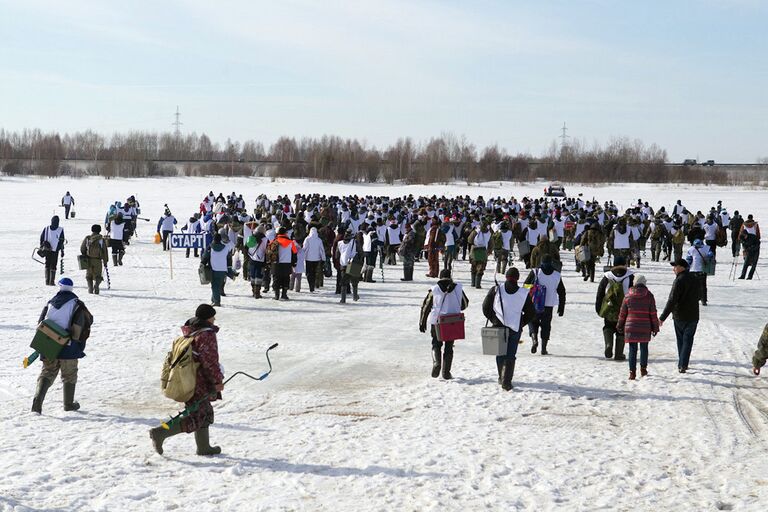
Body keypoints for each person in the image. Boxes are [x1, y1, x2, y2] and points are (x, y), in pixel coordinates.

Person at [149, 304, 224, 456]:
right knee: (198, 415)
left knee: (203, 412)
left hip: (188, 379)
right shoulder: (206, 335)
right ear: (208, 318)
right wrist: (217, 381)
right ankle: (160, 433)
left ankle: (204, 447)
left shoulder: (191, 332)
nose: (214, 319)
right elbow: (209, 361)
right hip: (199, 381)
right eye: (212, 316)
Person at [31, 277, 93, 413]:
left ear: (59, 287)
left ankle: (37, 402)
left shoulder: (50, 302)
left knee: (47, 372)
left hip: (49, 344)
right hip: (68, 346)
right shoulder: (77, 304)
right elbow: (88, 321)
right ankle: (68, 404)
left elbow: (40, 322)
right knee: (69, 374)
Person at [482, 267, 535, 391]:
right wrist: (521, 323)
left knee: (500, 353)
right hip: (515, 328)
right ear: (518, 278)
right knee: (510, 355)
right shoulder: (523, 293)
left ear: (506, 277)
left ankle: (501, 377)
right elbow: (531, 312)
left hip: (498, 327)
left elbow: (485, 307)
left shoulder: (496, 289)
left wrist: (494, 319)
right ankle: (507, 381)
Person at [419, 269, 469, 380]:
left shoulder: (435, 289)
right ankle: (446, 372)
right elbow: (465, 304)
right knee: (449, 346)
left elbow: (426, 306)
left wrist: (422, 322)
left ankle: (437, 362)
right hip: (452, 321)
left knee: (436, 344)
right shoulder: (458, 288)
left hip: (437, 321)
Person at [659, 259, 700, 373]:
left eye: (675, 266)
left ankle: (682, 364)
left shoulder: (679, 280)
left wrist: (662, 317)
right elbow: (700, 295)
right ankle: (683, 364)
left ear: (682, 267)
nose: (674, 269)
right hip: (693, 315)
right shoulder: (695, 279)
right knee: (688, 340)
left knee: (681, 340)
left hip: (680, 315)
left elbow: (672, 300)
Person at [616, 275, 659, 380]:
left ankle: (632, 372)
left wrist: (619, 325)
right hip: (645, 326)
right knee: (644, 348)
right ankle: (643, 369)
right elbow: (653, 313)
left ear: (634, 283)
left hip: (631, 326)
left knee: (632, 349)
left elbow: (622, 313)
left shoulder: (628, 296)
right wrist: (655, 327)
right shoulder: (649, 296)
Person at [524, 255, 566, 355]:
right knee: (546, 326)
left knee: (533, 322)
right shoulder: (556, 275)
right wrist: (561, 307)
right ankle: (544, 348)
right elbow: (561, 292)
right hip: (549, 305)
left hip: (536, 303)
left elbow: (525, 286)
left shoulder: (535, 272)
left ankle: (534, 339)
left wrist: (532, 290)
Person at [595, 255, 635, 360]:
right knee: (621, 330)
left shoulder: (607, 276)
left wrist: (599, 308)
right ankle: (619, 354)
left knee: (608, 326)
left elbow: (600, 293)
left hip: (609, 308)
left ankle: (608, 345)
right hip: (625, 308)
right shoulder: (630, 277)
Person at [201, 233, 231, 306]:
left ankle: (216, 302)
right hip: (223, 270)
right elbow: (229, 259)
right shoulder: (226, 248)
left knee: (215, 286)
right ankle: (213, 300)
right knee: (218, 285)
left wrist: (202, 264)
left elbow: (205, 257)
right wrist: (229, 268)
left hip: (214, 269)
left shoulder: (210, 248)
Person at [79, 224, 109, 294]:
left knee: (89, 276)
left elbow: (82, 248)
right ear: (99, 230)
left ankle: (90, 288)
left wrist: (84, 255)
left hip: (88, 259)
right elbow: (105, 251)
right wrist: (105, 261)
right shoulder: (101, 239)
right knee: (98, 275)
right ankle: (96, 286)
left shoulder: (88, 238)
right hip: (98, 260)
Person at [40, 216, 65, 286]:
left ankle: (48, 281)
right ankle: (51, 281)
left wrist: (42, 246)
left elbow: (41, 238)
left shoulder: (46, 228)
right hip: (54, 250)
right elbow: (62, 240)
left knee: (47, 263)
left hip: (47, 249)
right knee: (53, 264)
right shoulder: (60, 230)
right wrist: (61, 250)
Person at [687, 239, 713, 306]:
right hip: (702, 269)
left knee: (694, 286)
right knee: (703, 285)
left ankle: (695, 299)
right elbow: (711, 254)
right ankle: (703, 299)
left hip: (693, 269)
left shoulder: (691, 249)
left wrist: (687, 267)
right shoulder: (706, 248)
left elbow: (689, 260)